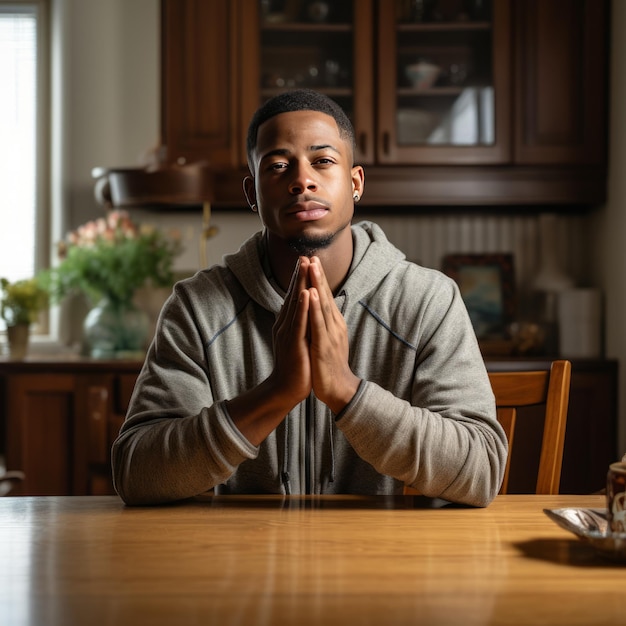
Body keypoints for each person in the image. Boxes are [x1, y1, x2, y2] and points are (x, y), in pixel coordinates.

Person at [111, 89, 507, 506]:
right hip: (242, 562)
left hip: (388, 561)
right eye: (279, 166)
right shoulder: (198, 308)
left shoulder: (429, 301)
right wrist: (276, 393)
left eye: (323, 161)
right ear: (252, 194)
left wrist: (346, 392)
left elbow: (480, 472)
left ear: (354, 183)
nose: (302, 179)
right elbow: (137, 473)